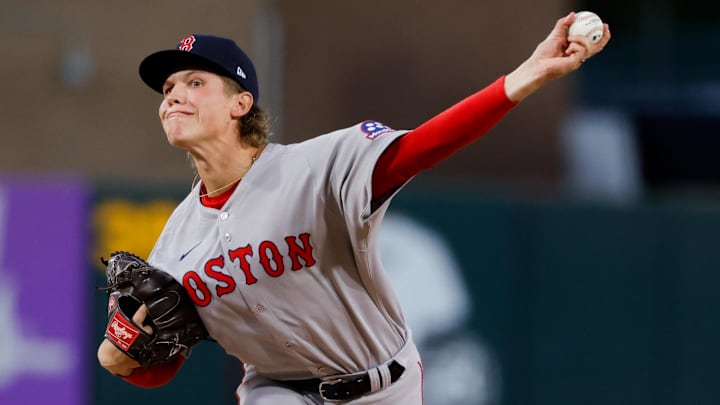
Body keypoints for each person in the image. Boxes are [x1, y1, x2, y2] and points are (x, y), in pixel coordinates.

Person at [97, 12, 610, 404]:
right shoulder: (175, 242)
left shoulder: (316, 167)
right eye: (167, 89)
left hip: (386, 385)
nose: (172, 96)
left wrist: (524, 77)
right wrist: (119, 352)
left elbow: (421, 148)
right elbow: (158, 368)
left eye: (194, 82)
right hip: (277, 391)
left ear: (240, 104)